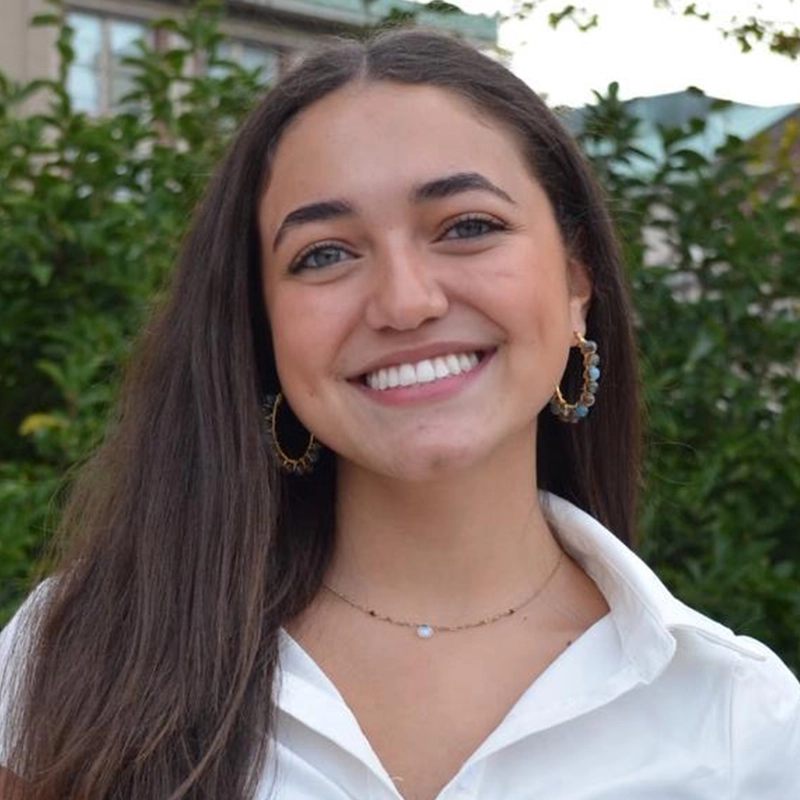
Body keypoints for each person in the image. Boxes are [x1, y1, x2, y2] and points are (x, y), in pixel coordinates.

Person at [0, 27, 798, 800]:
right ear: (262, 324)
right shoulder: (76, 656)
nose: (405, 302)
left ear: (576, 278)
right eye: (324, 254)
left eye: (469, 227)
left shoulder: (741, 723)